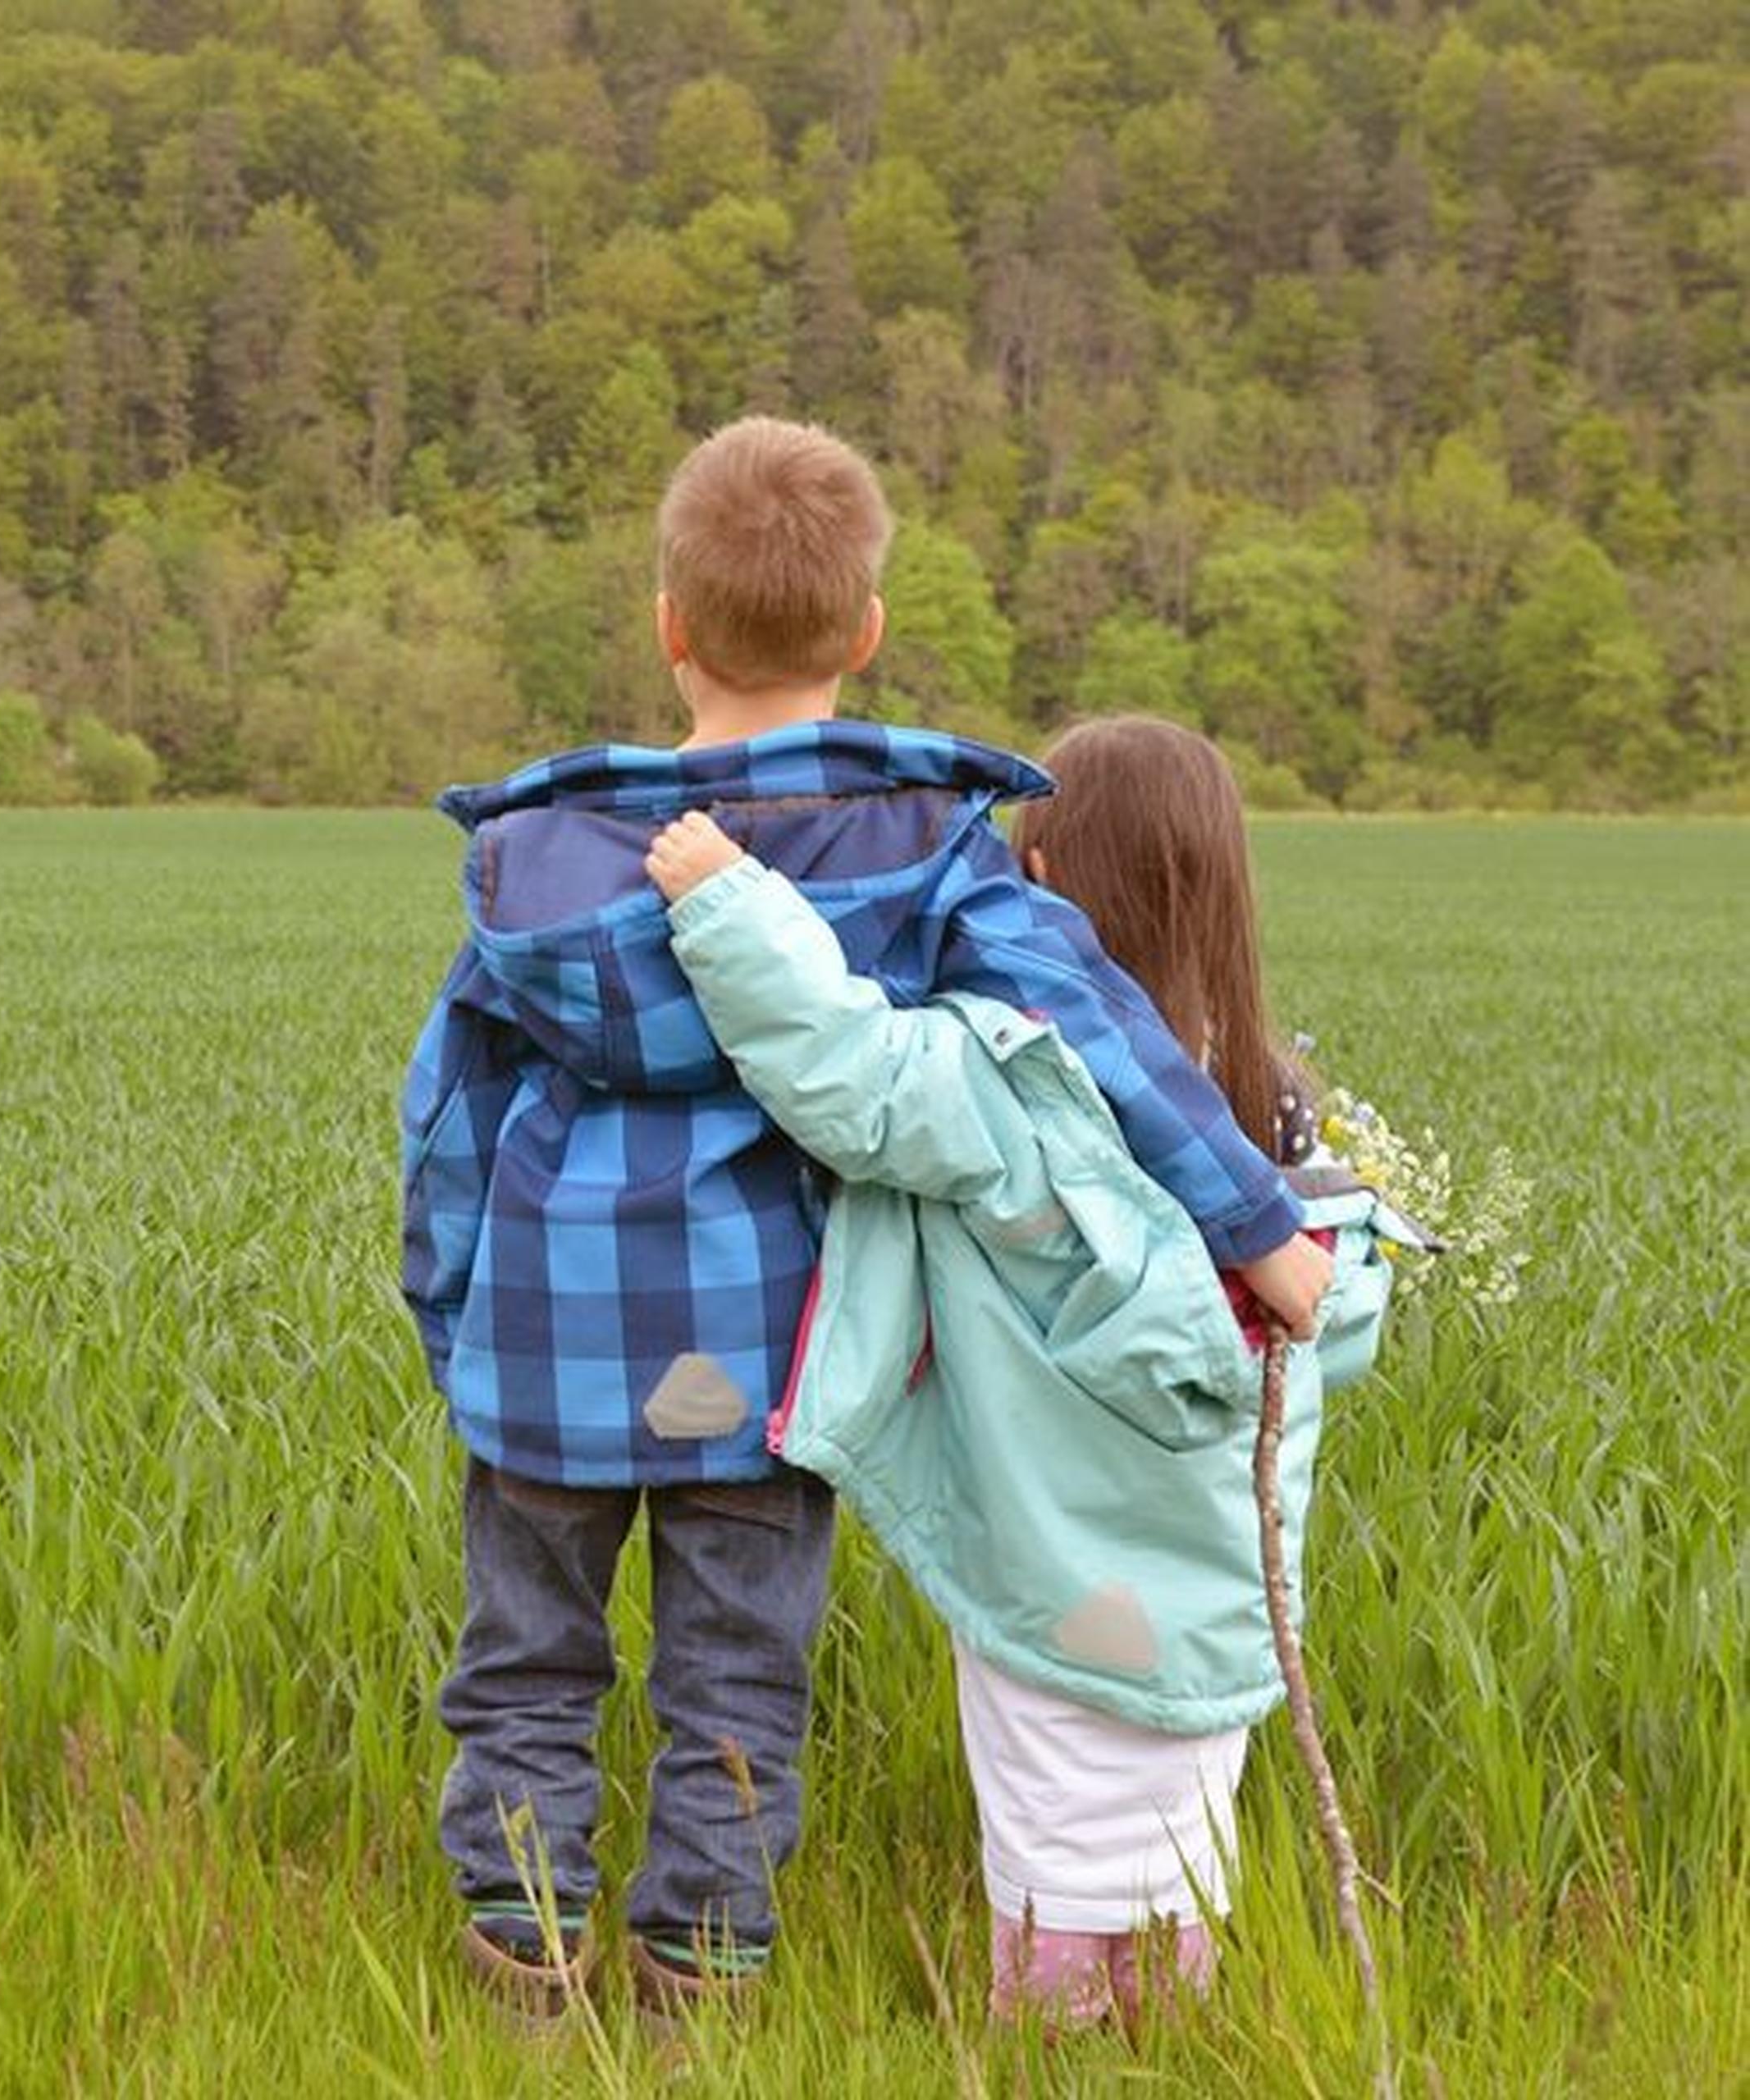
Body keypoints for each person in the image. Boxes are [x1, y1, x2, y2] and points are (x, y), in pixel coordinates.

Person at [401, 421, 1334, 2026]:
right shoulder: (923, 848)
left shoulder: (537, 861)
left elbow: (449, 1120)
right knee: (736, 1679)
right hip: (772, 1357)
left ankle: (525, 1963)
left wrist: (454, 1315)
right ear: (870, 632)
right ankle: (701, 1985)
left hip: (546, 1350)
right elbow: (1099, 1031)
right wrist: (1258, 1223)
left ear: (670, 627)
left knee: (526, 1661)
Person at [642, 715, 1392, 2030]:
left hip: (1054, 1556)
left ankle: (1042, 2046)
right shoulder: (1269, 1104)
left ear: (1034, 883)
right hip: (1219, 1578)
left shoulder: (1020, 1076)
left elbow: (850, 1070)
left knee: (1054, 1828)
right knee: (1175, 1844)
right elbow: (1319, 1320)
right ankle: (1173, 2044)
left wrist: (729, 902)